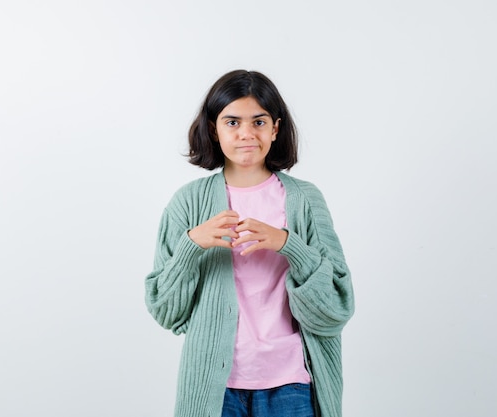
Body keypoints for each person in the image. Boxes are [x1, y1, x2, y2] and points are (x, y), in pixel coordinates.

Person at [144, 69, 355, 417]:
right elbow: (165, 311)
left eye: (258, 122)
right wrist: (191, 246)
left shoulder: (304, 200)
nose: (246, 134)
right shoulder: (188, 203)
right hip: (216, 386)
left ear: (275, 128)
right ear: (213, 129)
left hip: (292, 383)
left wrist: (290, 246)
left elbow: (336, 308)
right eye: (232, 122)